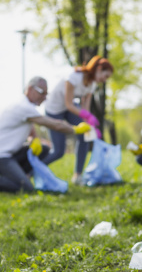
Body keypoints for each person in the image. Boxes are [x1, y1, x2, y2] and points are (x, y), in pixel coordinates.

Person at [0, 76, 90, 194]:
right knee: (25, 188)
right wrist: (75, 130)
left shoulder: (26, 106)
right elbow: (54, 125)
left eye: (47, 94)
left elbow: (29, 126)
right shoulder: (23, 106)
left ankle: (18, 176)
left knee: (44, 150)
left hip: (8, 155)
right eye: (42, 92)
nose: (45, 97)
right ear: (30, 89)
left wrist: (34, 138)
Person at [42, 55, 114, 184]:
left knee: (84, 136)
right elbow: (69, 103)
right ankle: (33, 169)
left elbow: (84, 109)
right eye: (106, 75)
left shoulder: (92, 85)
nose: (105, 80)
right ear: (98, 68)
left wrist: (89, 125)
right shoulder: (74, 77)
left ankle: (78, 176)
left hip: (68, 109)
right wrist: (87, 116)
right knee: (58, 151)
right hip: (54, 110)